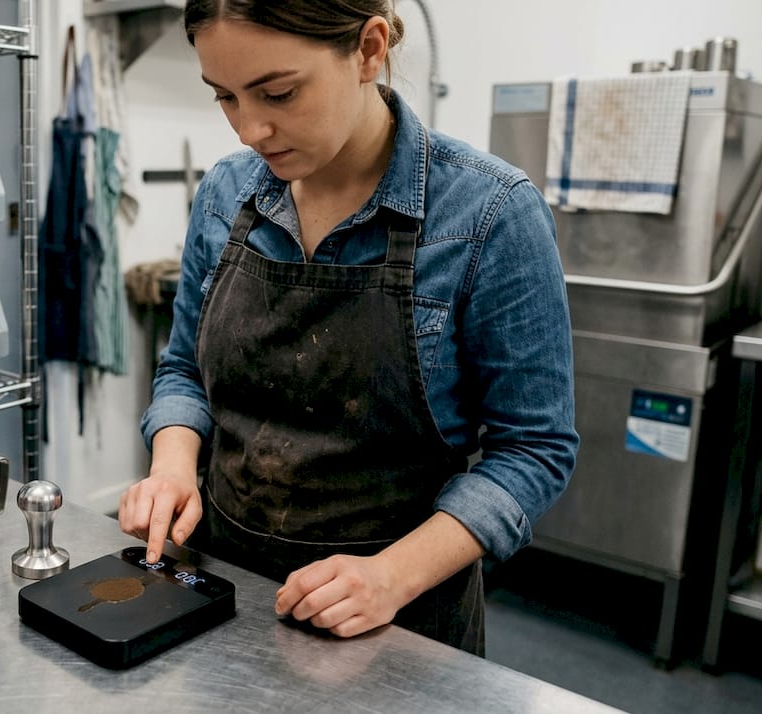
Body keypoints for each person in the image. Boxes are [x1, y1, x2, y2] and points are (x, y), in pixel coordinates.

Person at [117, 0, 579, 656]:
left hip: (399, 619)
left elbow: (534, 449)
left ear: (368, 49)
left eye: (278, 92)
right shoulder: (225, 194)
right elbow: (185, 370)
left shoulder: (490, 215)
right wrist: (171, 464)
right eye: (225, 96)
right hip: (226, 588)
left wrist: (389, 577)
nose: (250, 129)